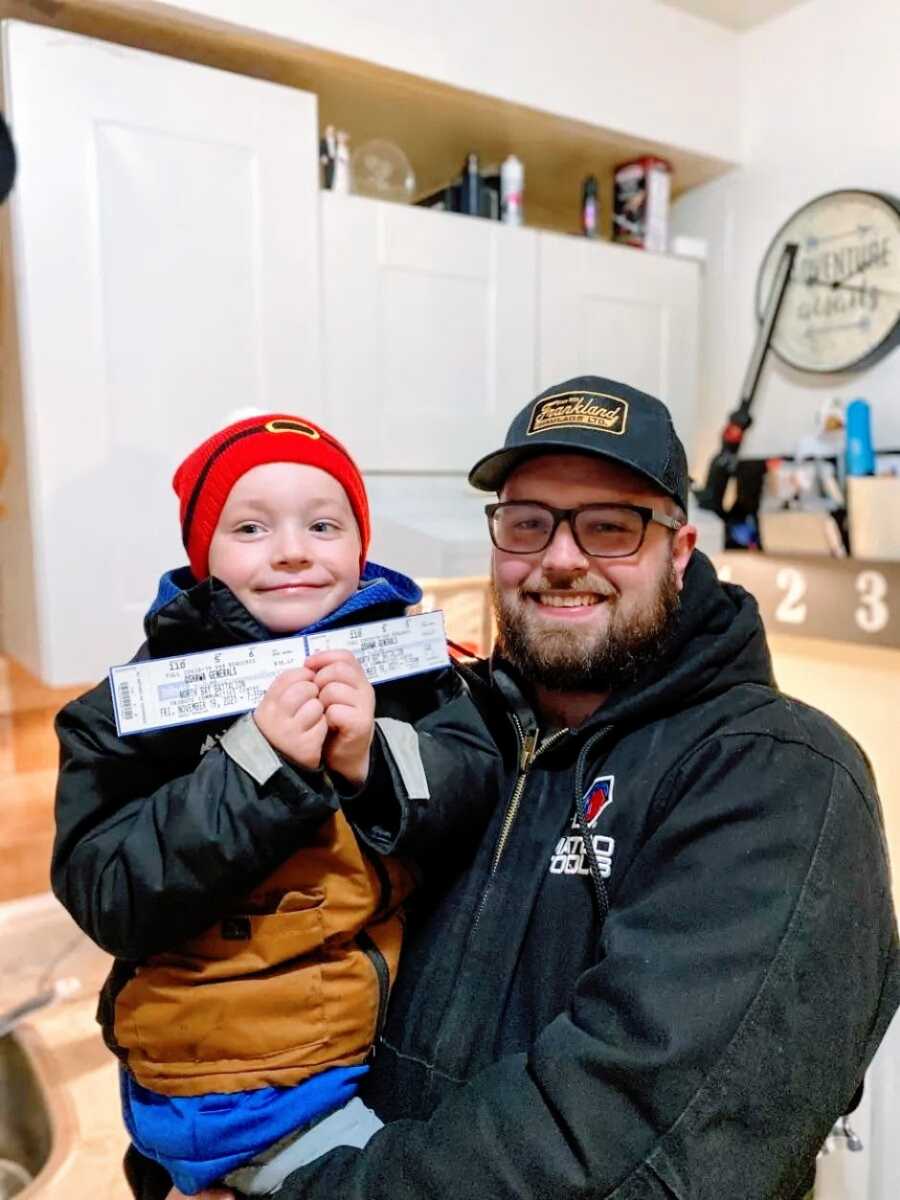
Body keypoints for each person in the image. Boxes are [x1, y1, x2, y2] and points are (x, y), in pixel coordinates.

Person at [173, 375, 897, 1200]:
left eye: (610, 527)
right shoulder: (442, 732)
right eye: (527, 524)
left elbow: (623, 1148)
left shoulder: (777, 774)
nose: (559, 558)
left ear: (680, 551)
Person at [51, 413, 500, 1197]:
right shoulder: (136, 708)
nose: (293, 549)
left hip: (370, 1049)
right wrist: (258, 764)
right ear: (204, 556)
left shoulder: (414, 670)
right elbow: (109, 890)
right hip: (236, 1093)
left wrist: (371, 757)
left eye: (323, 524)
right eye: (252, 526)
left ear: (359, 546)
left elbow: (478, 799)